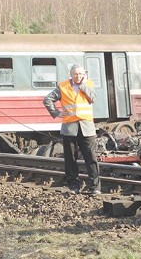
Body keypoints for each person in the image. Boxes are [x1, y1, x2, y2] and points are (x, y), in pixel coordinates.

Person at [43, 64, 101, 195]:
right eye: (75, 74)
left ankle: (95, 187)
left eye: (80, 74)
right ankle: (73, 187)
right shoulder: (63, 86)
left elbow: (93, 98)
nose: (78, 76)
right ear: (71, 74)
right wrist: (56, 113)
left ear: (84, 74)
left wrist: (83, 85)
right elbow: (47, 100)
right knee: (70, 159)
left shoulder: (89, 84)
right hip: (70, 127)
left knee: (91, 158)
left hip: (87, 127)